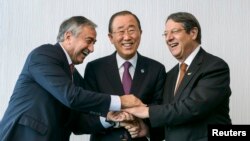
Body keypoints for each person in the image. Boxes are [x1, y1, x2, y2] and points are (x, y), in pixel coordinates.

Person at [0, 16, 145, 141]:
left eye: (93, 43)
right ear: (68, 37)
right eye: (89, 41)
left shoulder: (74, 76)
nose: (91, 48)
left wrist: (110, 118)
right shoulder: (44, 55)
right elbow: (71, 97)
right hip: (24, 136)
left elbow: (77, 123)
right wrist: (120, 101)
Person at [123, 12, 232, 141]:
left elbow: (193, 107)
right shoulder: (170, 75)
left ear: (193, 33)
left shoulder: (215, 66)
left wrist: (147, 111)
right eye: (165, 34)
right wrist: (147, 130)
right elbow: (171, 117)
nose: (168, 38)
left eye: (174, 31)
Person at [82, 10, 166, 141]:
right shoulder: (94, 69)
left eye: (131, 30)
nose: (127, 37)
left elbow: (161, 112)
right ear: (111, 38)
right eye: (120, 31)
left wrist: (146, 128)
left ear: (140, 33)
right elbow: (86, 115)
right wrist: (112, 120)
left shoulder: (157, 69)